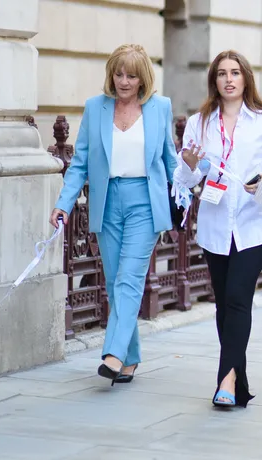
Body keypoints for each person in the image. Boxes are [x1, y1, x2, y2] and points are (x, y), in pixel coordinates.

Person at [50, 44, 178, 385]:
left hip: (144, 202)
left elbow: (170, 160)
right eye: (119, 73)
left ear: (143, 79)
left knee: (129, 279)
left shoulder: (159, 108)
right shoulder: (96, 108)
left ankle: (114, 352)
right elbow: (80, 162)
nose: (123, 81)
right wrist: (63, 203)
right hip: (107, 202)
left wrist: (194, 178)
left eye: (131, 75)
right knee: (114, 281)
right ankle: (131, 358)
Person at [172, 50, 262, 407]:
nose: (229, 79)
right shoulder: (199, 123)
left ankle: (224, 380)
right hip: (214, 224)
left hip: (253, 225)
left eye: (235, 73)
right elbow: (187, 180)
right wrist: (189, 163)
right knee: (224, 305)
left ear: (245, 79)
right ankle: (238, 382)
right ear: (214, 80)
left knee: (239, 298)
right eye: (222, 73)